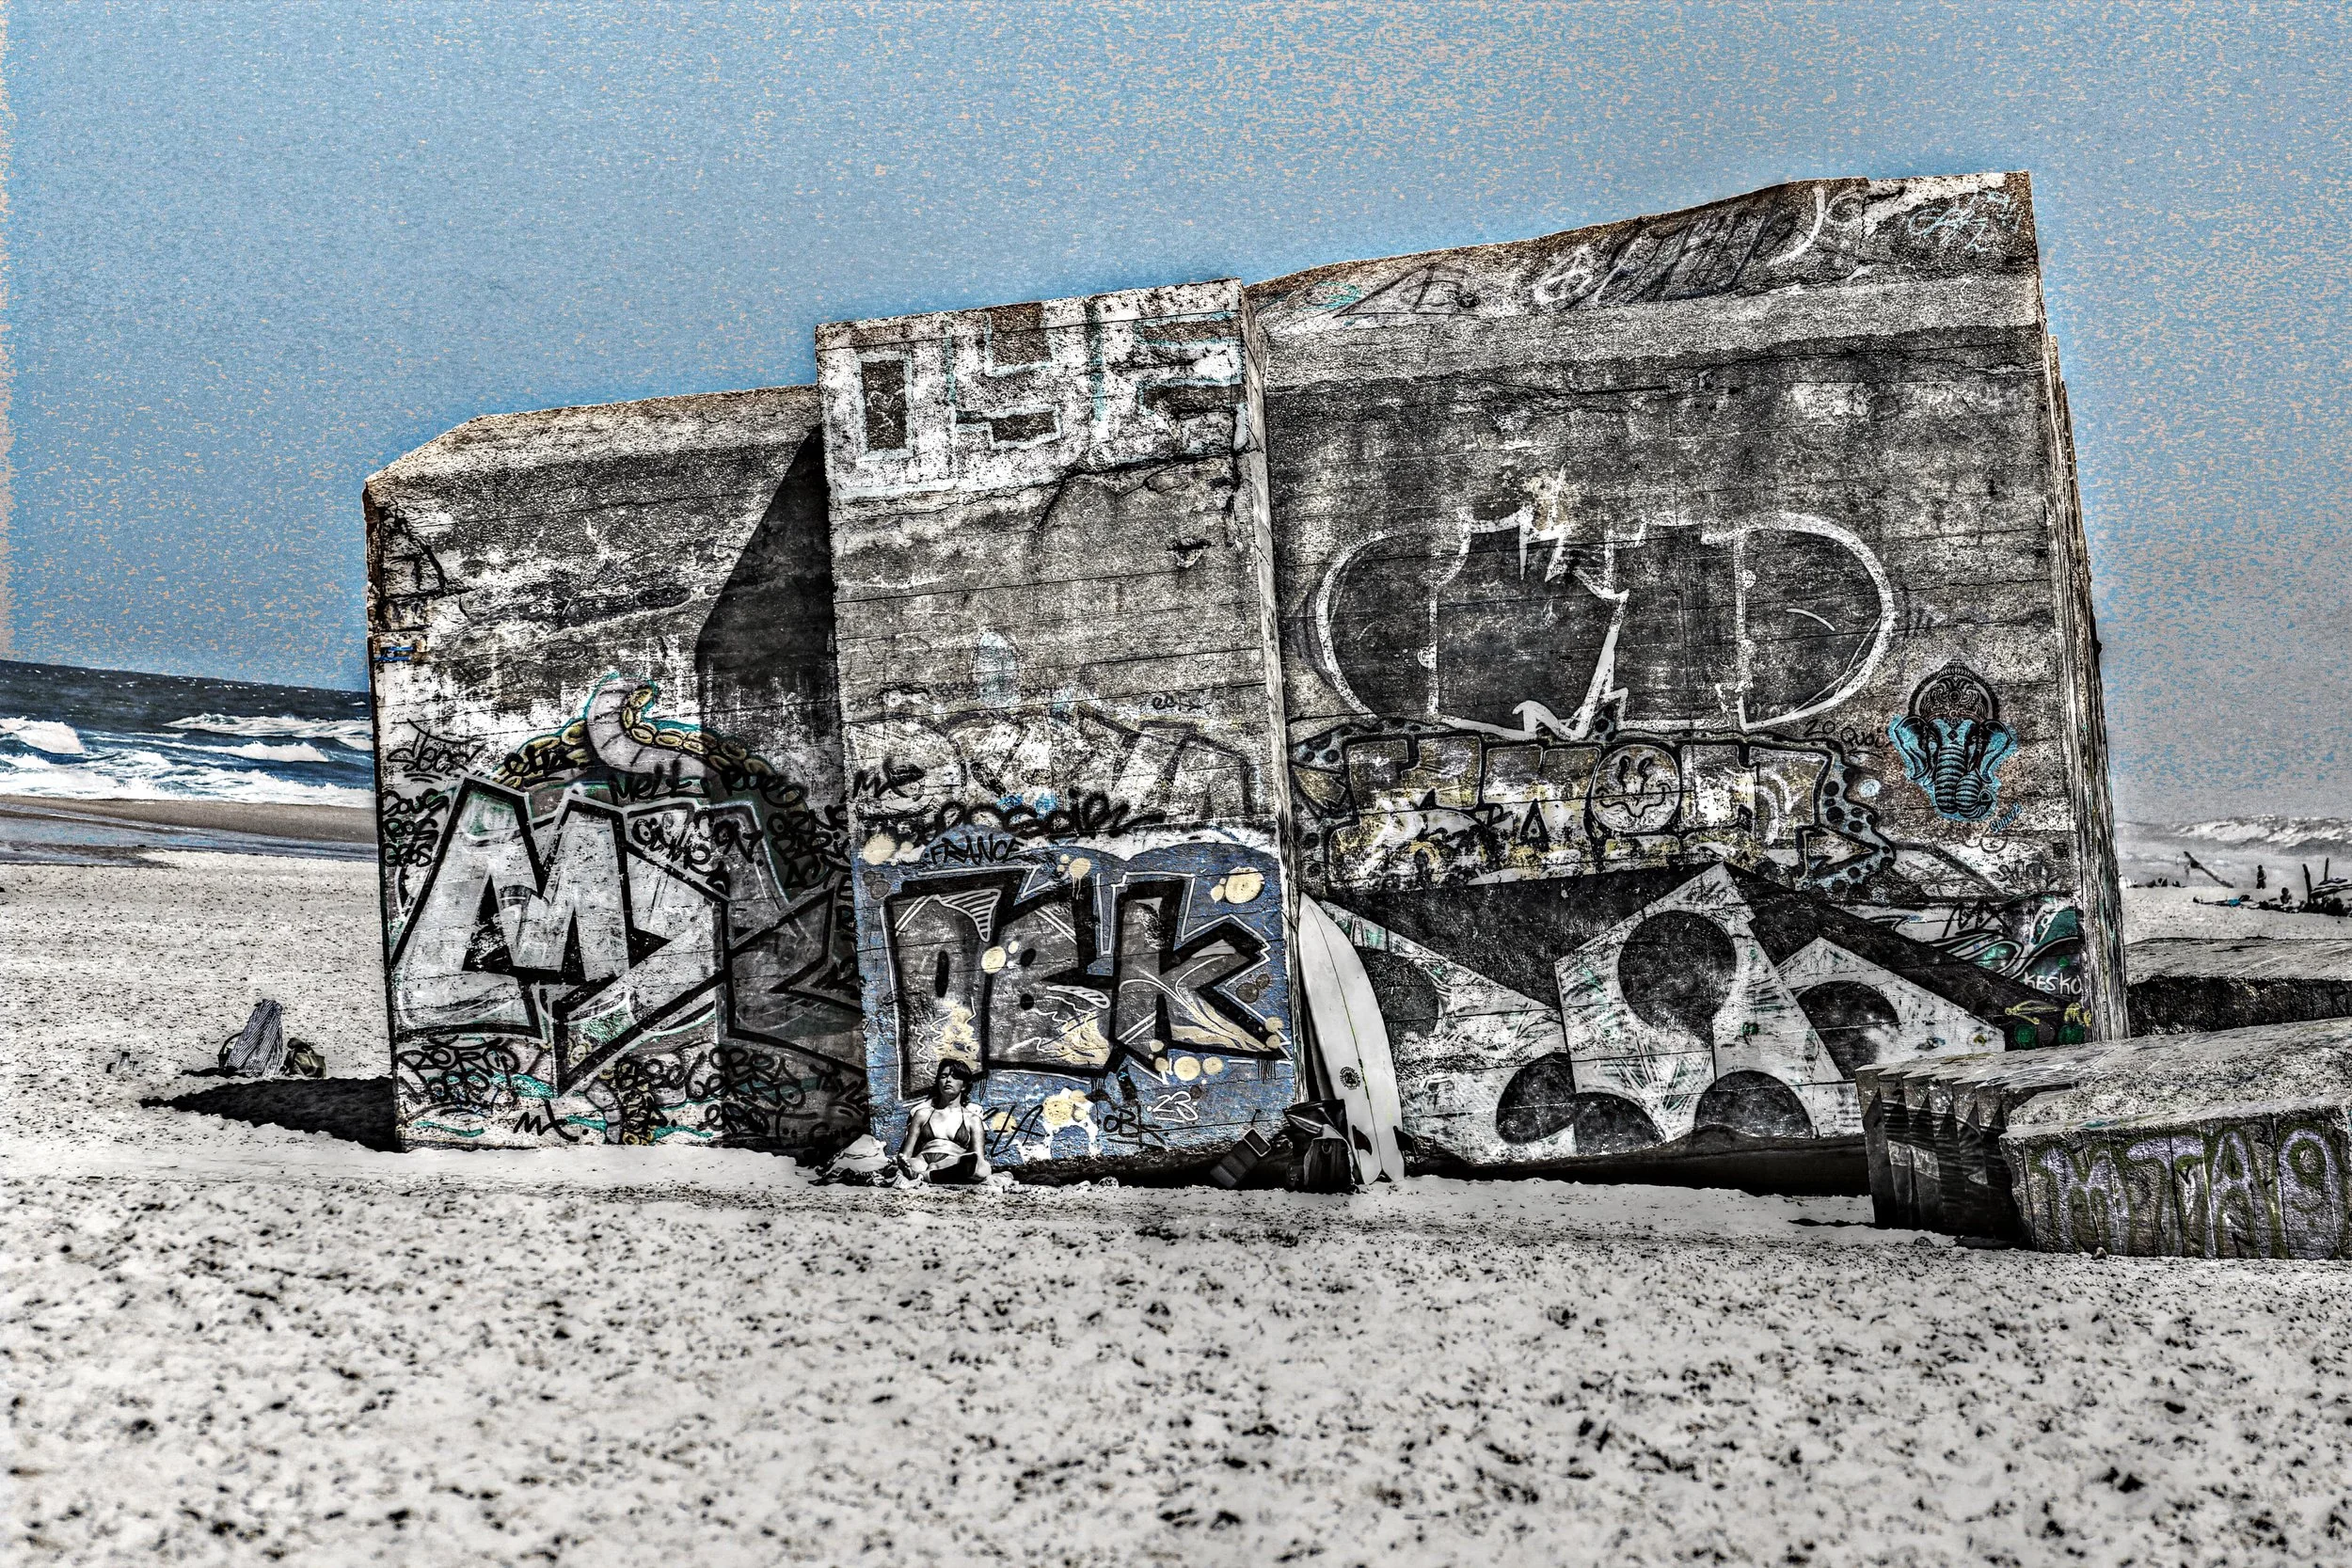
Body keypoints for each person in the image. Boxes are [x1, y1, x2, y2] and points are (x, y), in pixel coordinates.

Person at [897, 1059, 991, 1184]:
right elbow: (906, 1154)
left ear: (963, 1086)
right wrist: (904, 1163)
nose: (948, 1080)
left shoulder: (972, 1119)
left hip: (952, 1162)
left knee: (983, 1169)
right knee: (910, 1166)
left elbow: (978, 1157)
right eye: (944, 1076)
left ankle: (926, 1176)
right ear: (938, 1082)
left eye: (955, 1077)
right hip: (922, 1162)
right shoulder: (922, 1114)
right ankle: (931, 1175)